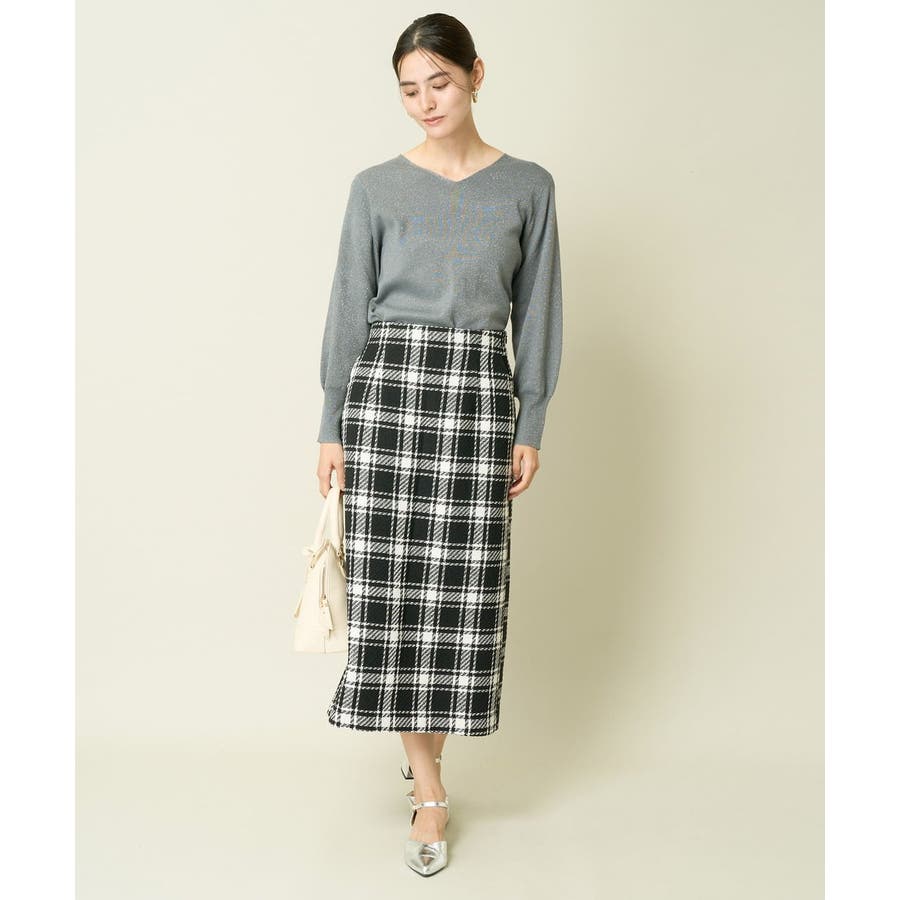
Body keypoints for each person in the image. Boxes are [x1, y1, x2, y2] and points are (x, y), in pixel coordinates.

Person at [314, 13, 563, 877]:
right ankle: (428, 788)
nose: (426, 102)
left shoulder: (528, 187)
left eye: (441, 83)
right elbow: (348, 302)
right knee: (393, 599)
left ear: (476, 75)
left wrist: (532, 418)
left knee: (460, 601)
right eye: (410, 90)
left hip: (478, 398)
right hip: (388, 395)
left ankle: (428, 765)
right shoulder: (375, 187)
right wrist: (331, 420)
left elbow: (539, 309)